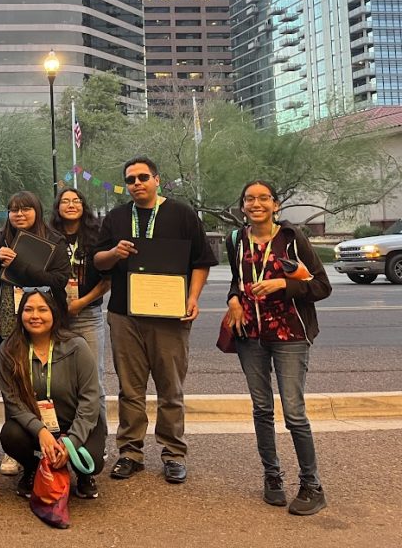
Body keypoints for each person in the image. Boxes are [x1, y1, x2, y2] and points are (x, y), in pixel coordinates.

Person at [93, 156, 217, 484]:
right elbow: (97, 261)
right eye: (130, 179)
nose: (137, 183)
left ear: (157, 179)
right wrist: (113, 254)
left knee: (170, 389)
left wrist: (193, 298)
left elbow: (201, 261)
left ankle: (173, 453)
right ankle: (130, 453)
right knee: (130, 390)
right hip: (124, 315)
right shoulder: (117, 218)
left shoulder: (181, 214)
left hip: (169, 315)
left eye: (143, 177)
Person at [225, 180, 331, 515]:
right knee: (261, 409)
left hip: (290, 336)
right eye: (249, 199)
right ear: (242, 206)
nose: (256, 204)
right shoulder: (236, 239)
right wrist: (233, 301)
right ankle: (272, 477)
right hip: (250, 335)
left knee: (294, 412)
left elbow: (321, 286)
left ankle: (312, 485)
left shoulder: (291, 238)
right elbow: (237, 280)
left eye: (263, 199)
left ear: (276, 205)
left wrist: (283, 284)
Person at [0, 189, 71, 476]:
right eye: (14, 209)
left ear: (37, 211)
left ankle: (53, 440)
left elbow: (59, 280)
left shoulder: (54, 241)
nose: (19, 214)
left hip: (42, 322)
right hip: (6, 323)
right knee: (13, 386)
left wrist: (19, 264)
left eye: (26, 209)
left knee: (46, 383)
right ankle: (14, 450)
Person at [0, 289, 106, 506]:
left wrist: (71, 442)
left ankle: (84, 474)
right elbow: (13, 402)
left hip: (75, 422)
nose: (35, 316)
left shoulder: (77, 346)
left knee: (93, 460)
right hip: (37, 425)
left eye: (42, 310)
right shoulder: (9, 350)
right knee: (10, 435)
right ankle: (33, 468)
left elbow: (90, 400)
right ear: (20, 315)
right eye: (28, 310)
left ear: (54, 313)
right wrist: (41, 431)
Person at [51, 186, 111, 488]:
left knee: (94, 381)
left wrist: (81, 302)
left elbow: (108, 280)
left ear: (83, 206)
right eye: (65, 201)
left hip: (87, 315)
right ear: (57, 207)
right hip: (55, 317)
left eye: (76, 201)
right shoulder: (50, 235)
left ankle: (96, 442)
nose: (71, 205)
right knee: (54, 379)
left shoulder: (96, 236)